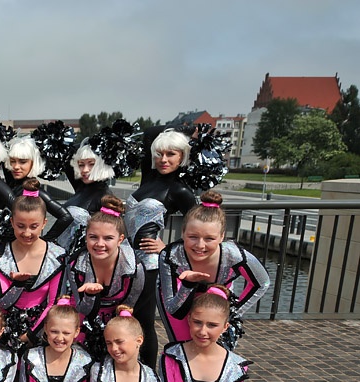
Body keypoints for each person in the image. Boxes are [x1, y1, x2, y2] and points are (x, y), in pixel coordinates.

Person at [158, 190, 270, 348]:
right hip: (179, 298)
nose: (200, 245)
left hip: (217, 297)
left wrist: (233, 311)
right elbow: (174, 310)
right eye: (193, 237)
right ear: (182, 233)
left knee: (218, 347)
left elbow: (261, 282)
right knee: (182, 346)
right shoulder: (170, 256)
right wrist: (188, 284)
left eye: (209, 238)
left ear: (222, 237)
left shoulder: (234, 255)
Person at [128, 126, 198, 366]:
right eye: (159, 154)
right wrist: (180, 128)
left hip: (149, 263)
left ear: (182, 157)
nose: (164, 159)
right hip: (127, 260)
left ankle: (148, 376)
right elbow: (149, 136)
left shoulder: (179, 190)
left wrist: (168, 249)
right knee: (127, 315)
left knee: (144, 319)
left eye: (171, 154)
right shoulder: (149, 178)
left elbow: (200, 229)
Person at [0, 179, 67, 351]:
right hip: (6, 331)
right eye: (20, 226)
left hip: (45, 331)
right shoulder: (0, 256)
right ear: (11, 223)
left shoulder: (57, 256)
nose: (27, 233)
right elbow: (2, 303)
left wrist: (33, 334)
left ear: (44, 224)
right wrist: (17, 286)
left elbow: (54, 303)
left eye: (33, 226)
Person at [67, 196, 145, 360]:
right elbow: (82, 310)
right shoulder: (75, 265)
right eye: (93, 237)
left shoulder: (134, 269)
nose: (99, 244)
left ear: (120, 239)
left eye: (108, 238)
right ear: (86, 236)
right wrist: (90, 295)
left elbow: (128, 308)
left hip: (116, 323)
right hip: (82, 321)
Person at [2, 136, 74, 241]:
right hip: (6, 248)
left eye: (22, 162)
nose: (16, 166)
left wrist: (46, 241)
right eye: (13, 161)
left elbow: (66, 217)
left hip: (26, 250)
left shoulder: (36, 192)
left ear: (33, 163)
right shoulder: (12, 183)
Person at [64, 142, 115, 214]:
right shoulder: (81, 186)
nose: (85, 170)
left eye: (91, 164)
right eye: (81, 165)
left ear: (103, 166)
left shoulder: (106, 198)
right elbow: (66, 156)